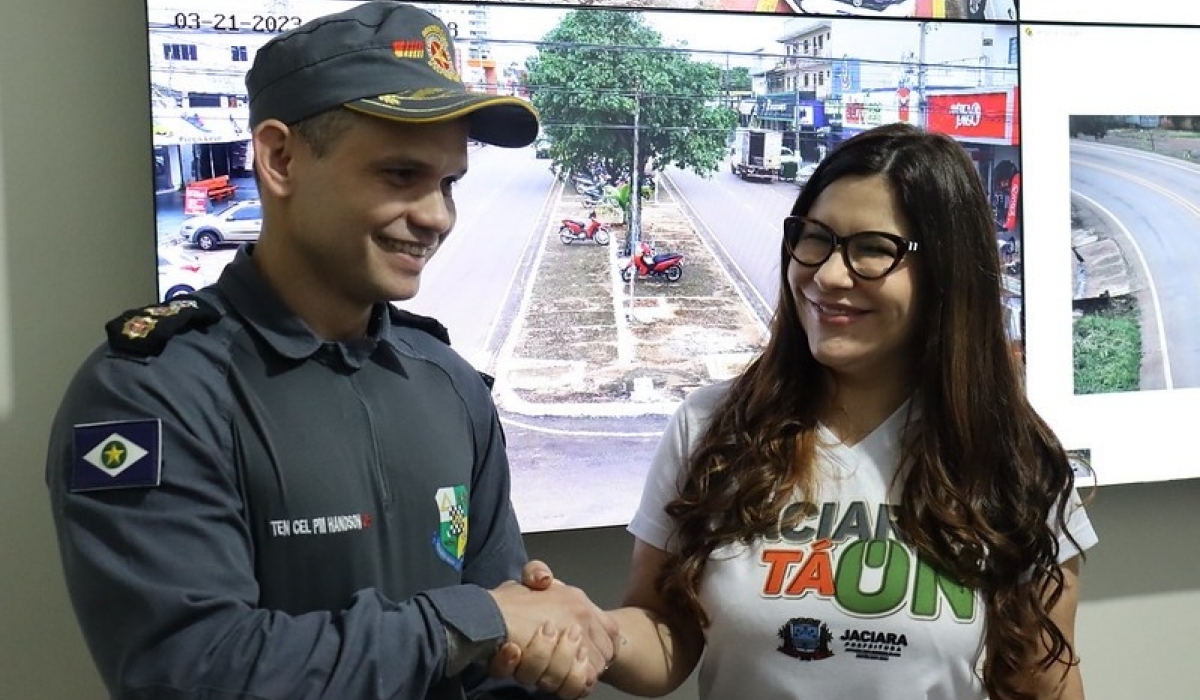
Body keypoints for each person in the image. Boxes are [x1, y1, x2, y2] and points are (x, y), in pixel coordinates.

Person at [44, 3, 616, 700]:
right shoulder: (151, 394)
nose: (437, 216)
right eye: (400, 175)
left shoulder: (450, 383)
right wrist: (469, 621)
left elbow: (503, 652)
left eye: (448, 184)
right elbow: (190, 673)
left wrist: (531, 645)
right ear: (280, 159)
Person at [519, 123, 1098, 699]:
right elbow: (666, 627)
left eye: (874, 249)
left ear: (947, 272)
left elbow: (1042, 682)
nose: (827, 275)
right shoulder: (711, 426)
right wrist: (598, 636)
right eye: (815, 238)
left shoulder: (1013, 461)